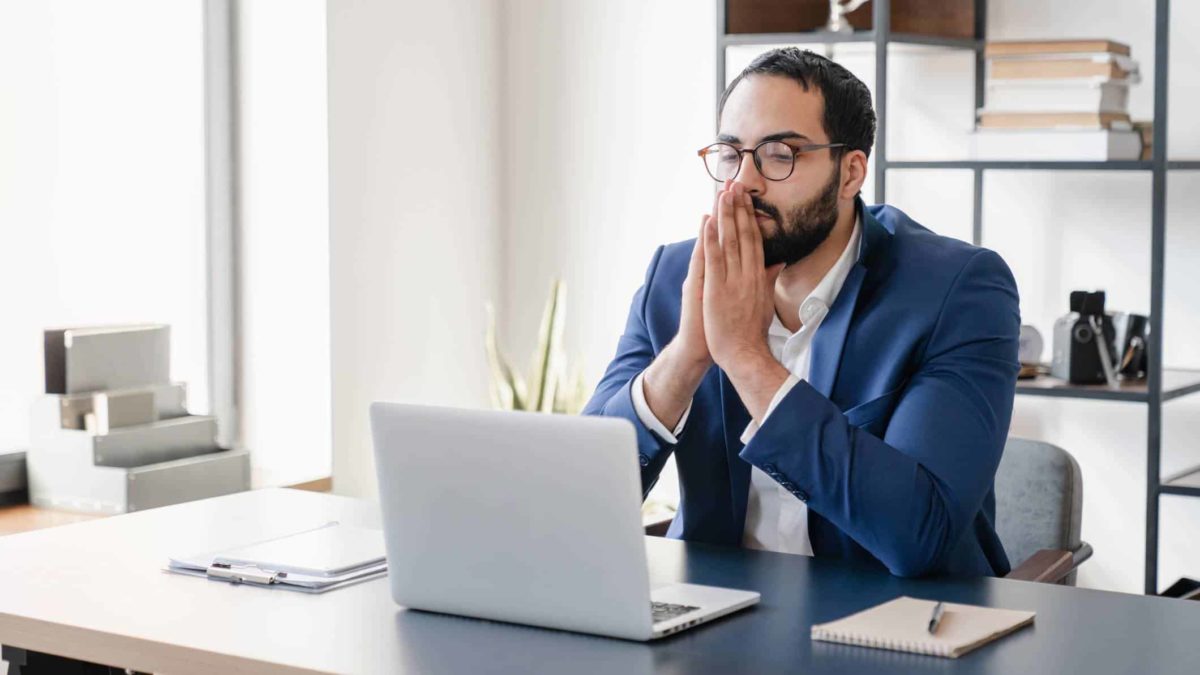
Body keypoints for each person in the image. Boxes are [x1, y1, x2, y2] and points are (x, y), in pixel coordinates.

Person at [582, 47, 1020, 578]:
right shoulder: (676, 276)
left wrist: (745, 357)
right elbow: (581, 495)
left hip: (892, 626)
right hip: (715, 618)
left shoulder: (957, 291)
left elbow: (917, 536)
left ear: (850, 173)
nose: (743, 183)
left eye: (779, 154)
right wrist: (688, 355)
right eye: (730, 153)